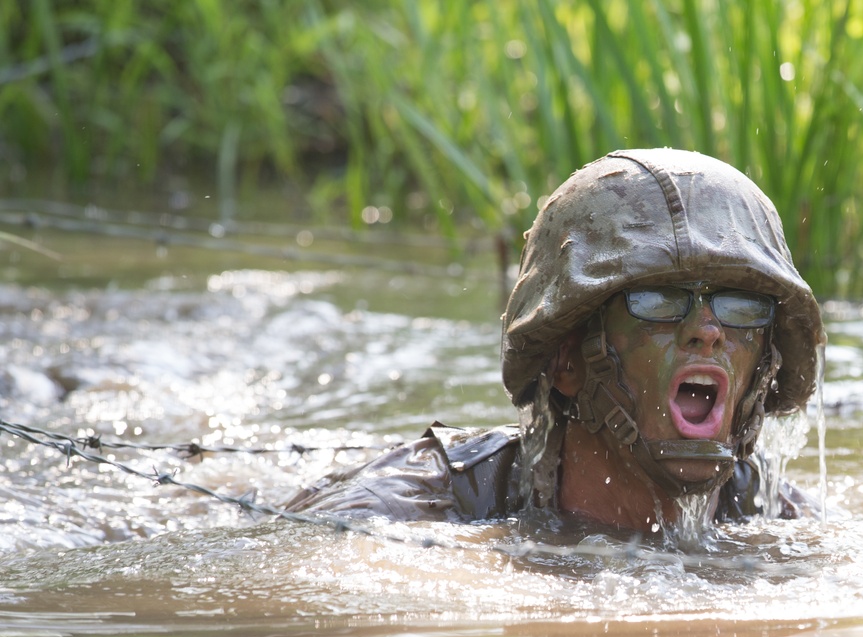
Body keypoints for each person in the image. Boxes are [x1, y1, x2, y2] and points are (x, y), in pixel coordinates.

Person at [284, 148, 825, 532]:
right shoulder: (408, 508)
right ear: (567, 358)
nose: (708, 333)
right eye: (658, 301)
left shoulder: (770, 514)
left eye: (740, 306)